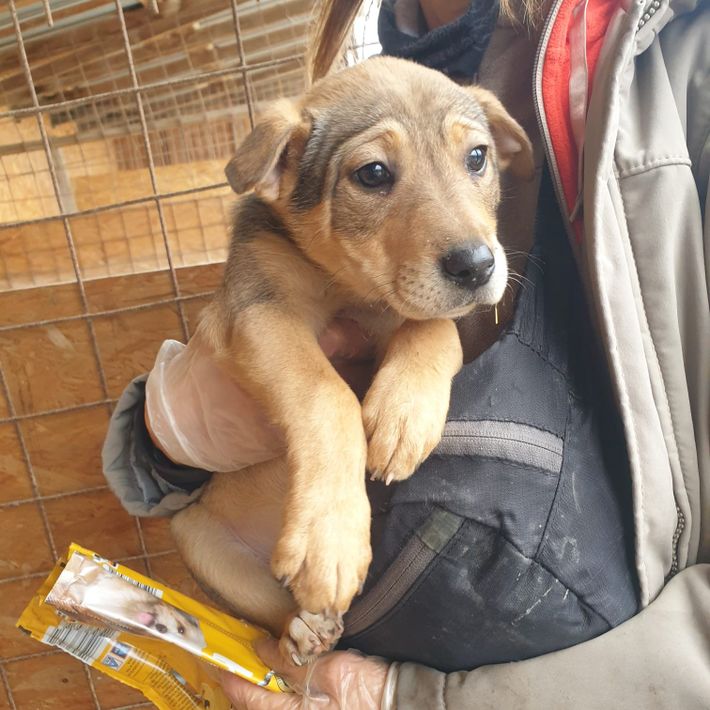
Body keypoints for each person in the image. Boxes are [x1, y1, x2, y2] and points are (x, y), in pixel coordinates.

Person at [103, 0, 710, 707]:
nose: (464, 235)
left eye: (475, 159)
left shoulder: (665, 59)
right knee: (202, 536)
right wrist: (165, 440)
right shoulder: (305, 165)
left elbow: (438, 316)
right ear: (282, 172)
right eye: (373, 174)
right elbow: (260, 319)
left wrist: (429, 346)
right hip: (294, 577)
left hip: (557, 643)